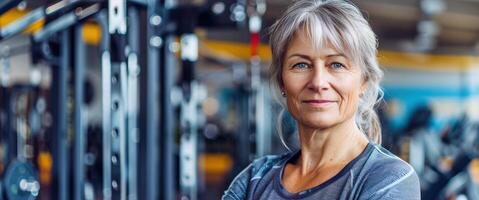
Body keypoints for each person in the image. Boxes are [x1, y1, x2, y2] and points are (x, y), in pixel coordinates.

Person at [222, 0, 421, 199]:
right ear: (282, 82)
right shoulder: (255, 178)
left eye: (336, 65)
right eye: (301, 65)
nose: (318, 82)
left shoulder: (389, 178)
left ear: (364, 80)